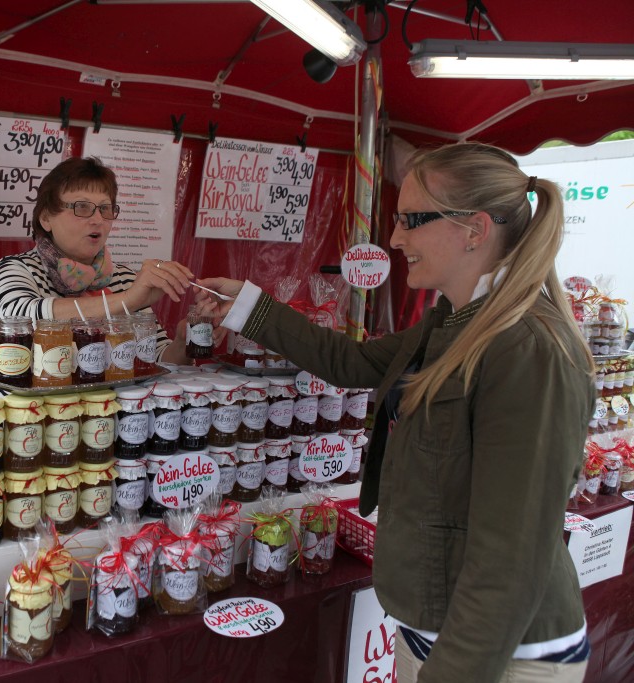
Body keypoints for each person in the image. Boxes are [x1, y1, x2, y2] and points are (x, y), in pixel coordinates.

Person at [196, 143, 594, 683]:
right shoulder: (454, 321)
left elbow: (511, 556)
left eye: (411, 220)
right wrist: (246, 306)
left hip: (499, 657)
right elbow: (352, 361)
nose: (395, 239)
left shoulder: (527, 350)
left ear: (474, 230)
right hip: (433, 633)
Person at [0, 156, 195, 368]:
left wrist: (183, 341)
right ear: (46, 218)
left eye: (105, 209)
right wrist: (128, 300)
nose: (97, 220)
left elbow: (152, 360)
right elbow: (18, 319)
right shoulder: (14, 269)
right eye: (82, 207)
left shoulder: (124, 279)